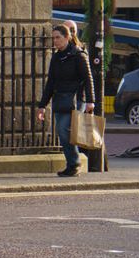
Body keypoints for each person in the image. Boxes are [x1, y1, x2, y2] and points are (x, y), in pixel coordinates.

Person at [36, 23, 95, 177]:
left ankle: (74, 163)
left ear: (67, 37)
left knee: (64, 129)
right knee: (62, 133)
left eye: (58, 37)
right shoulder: (56, 57)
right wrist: (42, 105)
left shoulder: (79, 55)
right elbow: (51, 82)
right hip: (60, 99)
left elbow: (88, 79)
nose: (55, 41)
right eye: (53, 38)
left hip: (76, 99)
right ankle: (72, 164)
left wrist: (91, 101)